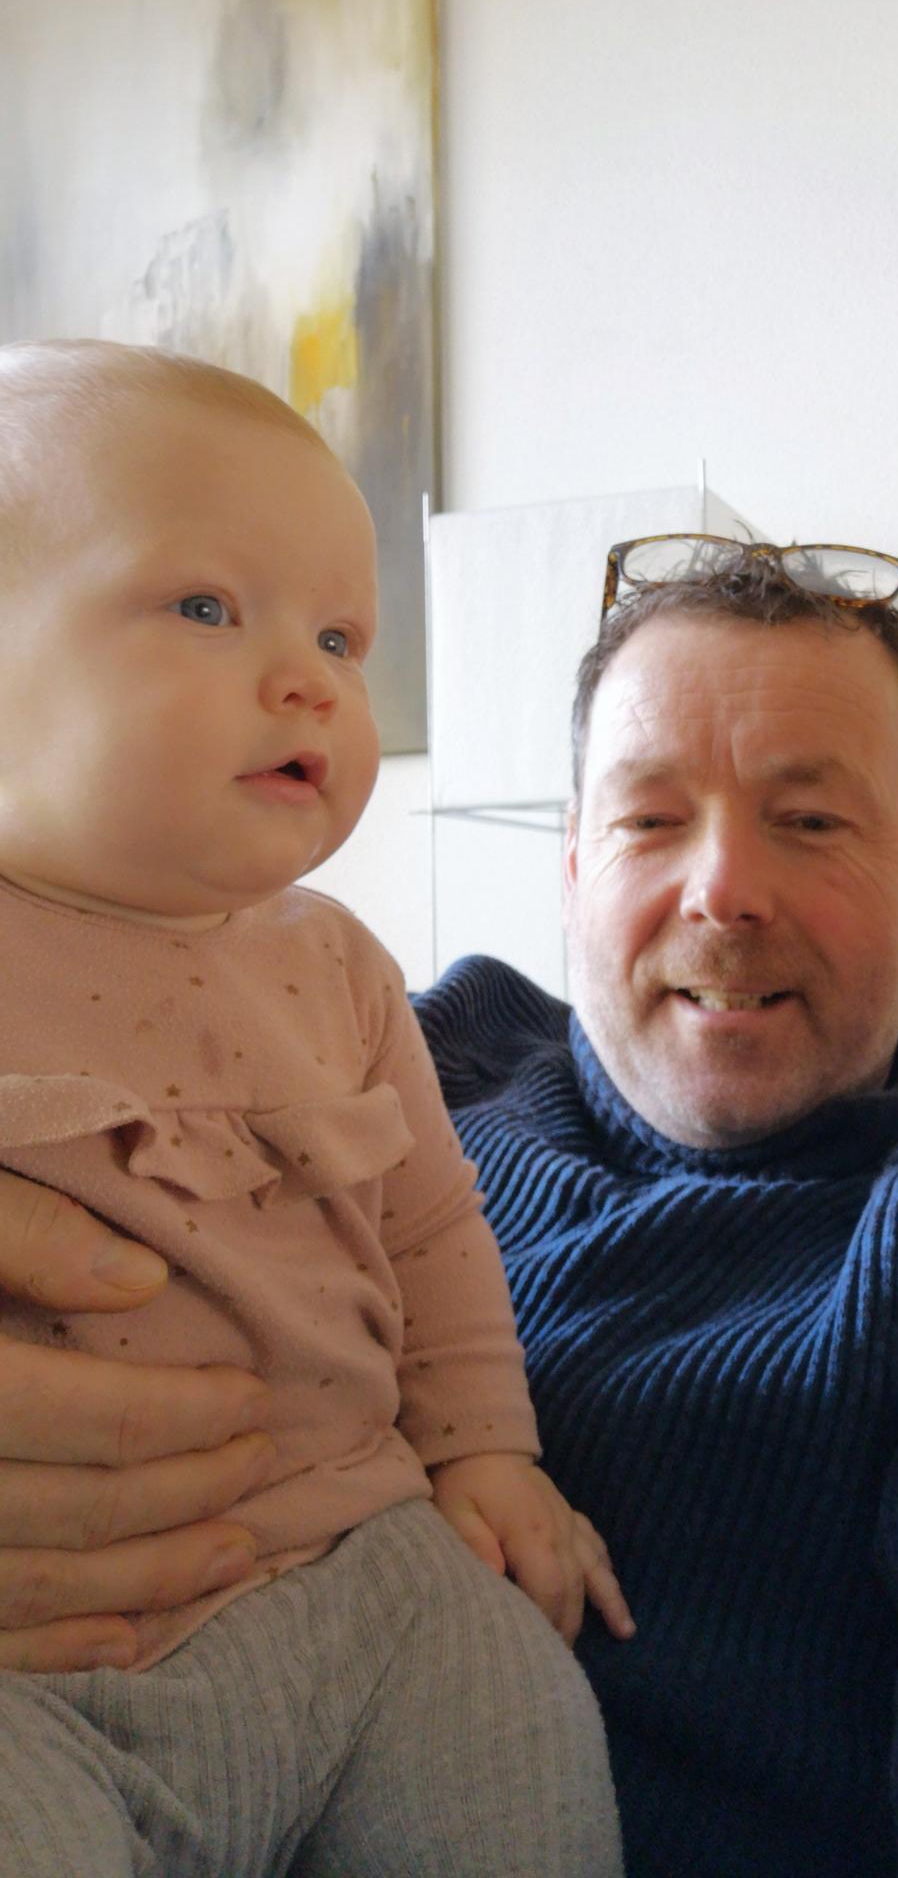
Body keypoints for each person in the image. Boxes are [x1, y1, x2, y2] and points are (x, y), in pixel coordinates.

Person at [0, 526, 898, 1876]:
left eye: (810, 821)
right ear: (575, 860)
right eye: (648, 819)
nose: (723, 891)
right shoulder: (380, 1058)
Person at [0, 340, 623, 1877]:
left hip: (364, 1572)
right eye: (208, 607)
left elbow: (434, 1231)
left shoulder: (342, 968)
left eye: (342, 636)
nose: (312, 680)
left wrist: (488, 1451)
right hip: (35, 1665)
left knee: (515, 1714)